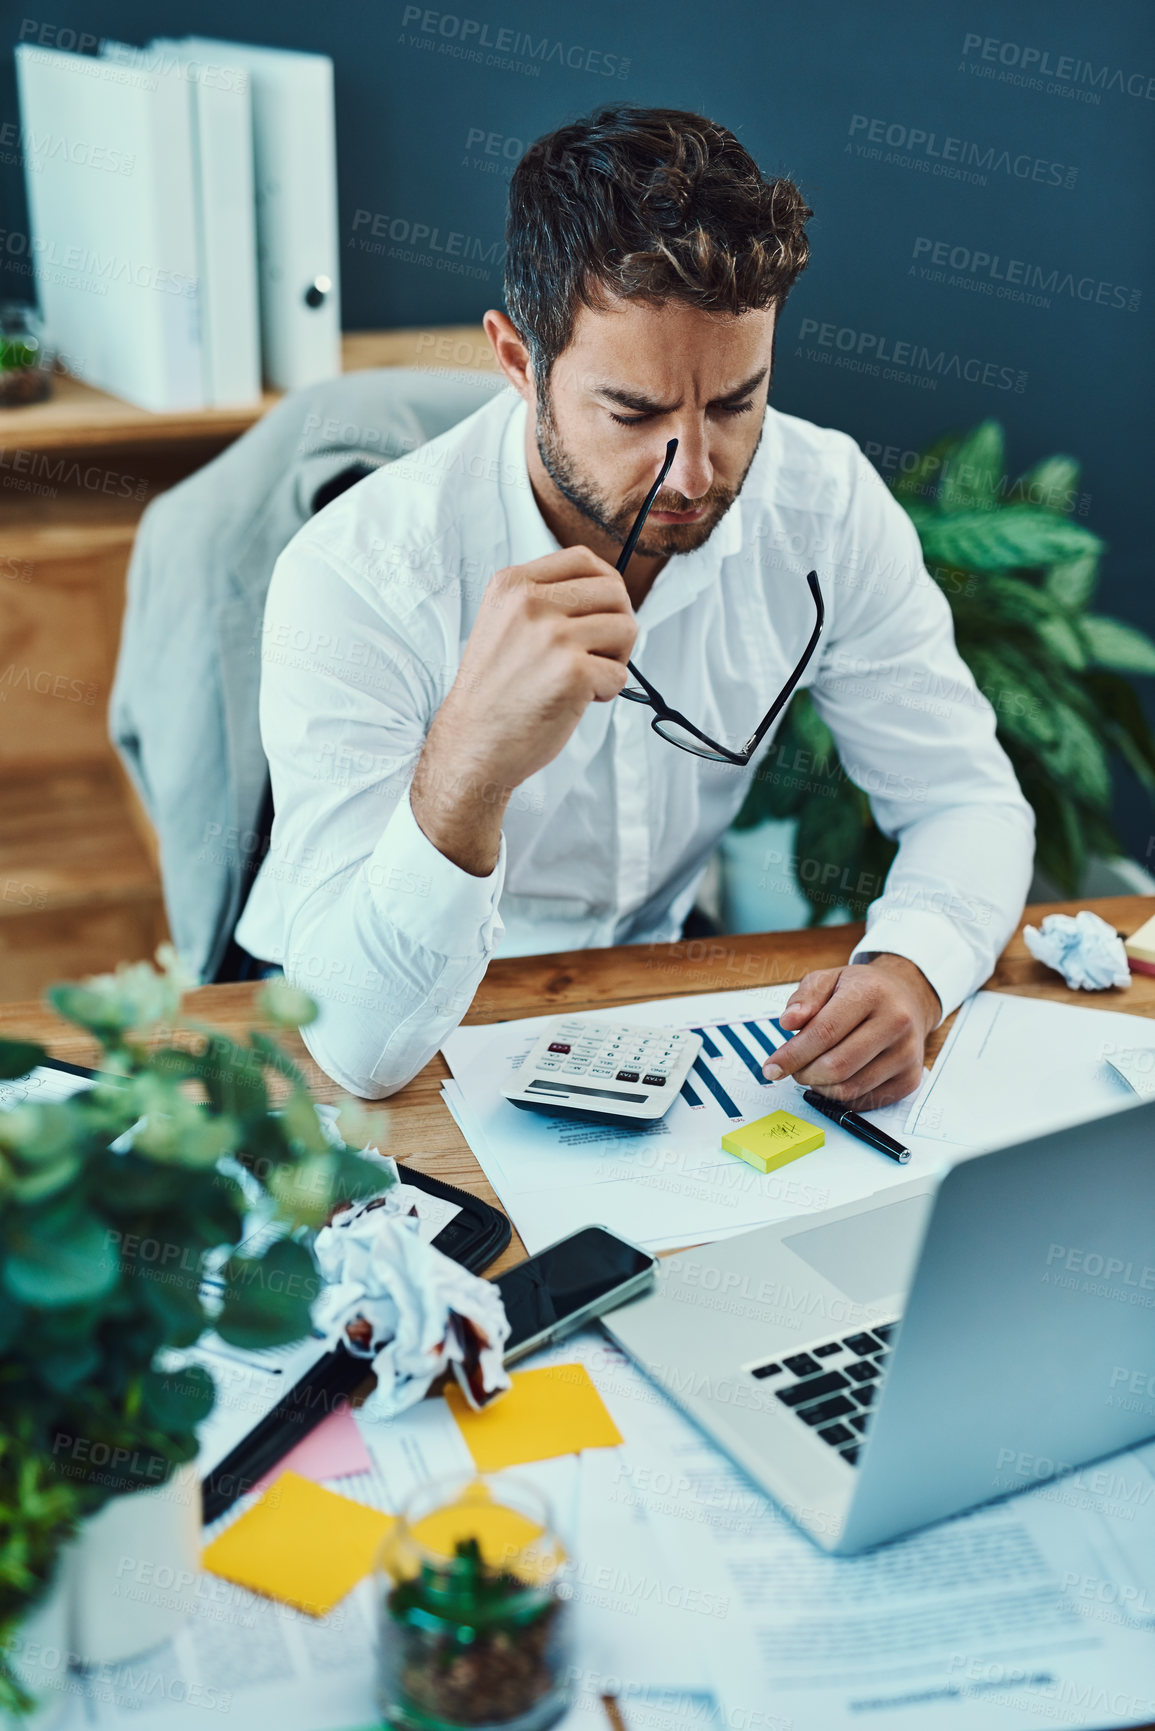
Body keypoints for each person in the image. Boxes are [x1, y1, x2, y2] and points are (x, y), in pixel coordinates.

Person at [234, 105, 1034, 1106]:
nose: (695, 471)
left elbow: (964, 797)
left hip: (646, 1000)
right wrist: (466, 770)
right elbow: (357, 1050)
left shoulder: (823, 507)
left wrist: (912, 971)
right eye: (635, 412)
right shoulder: (361, 573)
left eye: (738, 402)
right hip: (393, 1024)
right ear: (519, 362)